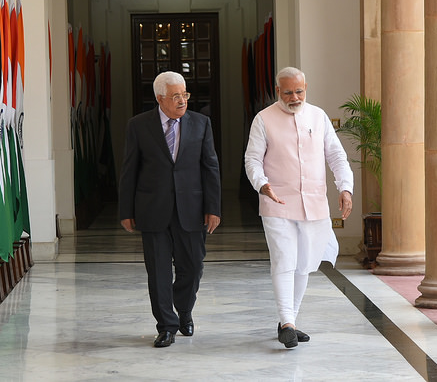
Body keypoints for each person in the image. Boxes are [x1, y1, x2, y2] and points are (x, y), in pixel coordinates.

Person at [244, 66, 353, 348]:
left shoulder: (318, 116)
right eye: (288, 92)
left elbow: (336, 155)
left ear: (306, 89)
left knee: (305, 264)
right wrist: (262, 184)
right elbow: (252, 159)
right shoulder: (263, 119)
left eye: (299, 91)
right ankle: (288, 323)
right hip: (277, 203)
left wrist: (345, 187)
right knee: (284, 260)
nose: (294, 97)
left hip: (314, 203)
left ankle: (288, 320)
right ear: (277, 91)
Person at [119, 71, 221, 348]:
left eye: (184, 94)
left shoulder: (201, 123)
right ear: (160, 98)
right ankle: (166, 325)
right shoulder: (139, 125)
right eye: (175, 96)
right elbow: (129, 169)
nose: (182, 100)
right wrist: (126, 210)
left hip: (192, 209)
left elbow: (210, 167)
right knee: (159, 272)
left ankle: (184, 311)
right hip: (153, 209)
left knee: (193, 267)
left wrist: (213, 208)